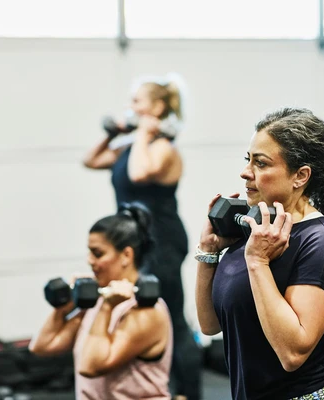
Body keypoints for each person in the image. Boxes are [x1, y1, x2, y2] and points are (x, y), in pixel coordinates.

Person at [195, 107, 324, 400]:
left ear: (300, 175)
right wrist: (208, 253)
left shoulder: (321, 243)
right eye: (248, 160)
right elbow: (210, 324)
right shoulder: (258, 228)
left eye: (261, 163)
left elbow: (292, 353)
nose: (246, 172)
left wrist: (257, 262)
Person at [82, 74, 201, 400]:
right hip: (132, 243)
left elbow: (139, 173)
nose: (129, 107)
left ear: (158, 107)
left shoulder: (164, 148)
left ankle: (189, 394)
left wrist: (143, 135)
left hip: (162, 241)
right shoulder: (128, 147)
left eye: (136, 101)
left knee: (172, 318)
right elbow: (90, 160)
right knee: (138, 314)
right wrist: (113, 135)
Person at [29, 202, 173, 399]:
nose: (89, 260)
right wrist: (67, 305)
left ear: (126, 255)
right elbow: (42, 346)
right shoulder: (97, 299)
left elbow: (89, 366)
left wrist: (107, 307)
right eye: (89, 252)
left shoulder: (147, 311)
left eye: (98, 253)